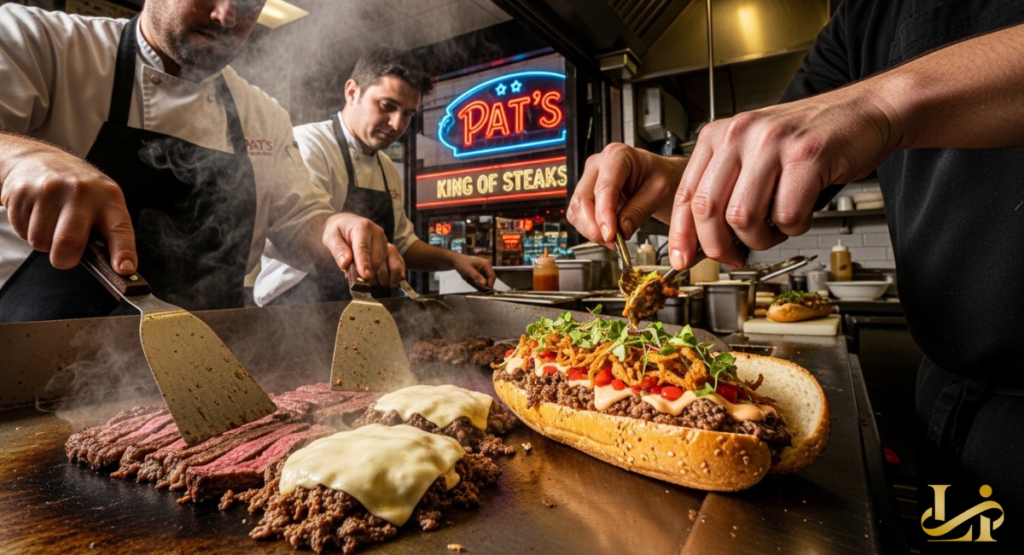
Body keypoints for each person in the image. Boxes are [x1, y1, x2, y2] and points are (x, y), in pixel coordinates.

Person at [568, 2, 1024, 550]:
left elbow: (848, 114)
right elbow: (777, 169)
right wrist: (677, 183)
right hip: (954, 410)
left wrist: (881, 103)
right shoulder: (863, 17)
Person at [0, 1, 395, 323]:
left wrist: (333, 229)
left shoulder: (263, 115)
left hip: (213, 372)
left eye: (249, 4)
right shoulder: (40, 42)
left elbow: (297, 222)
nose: (226, 15)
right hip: (39, 368)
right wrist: (21, 158)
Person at [254, 48, 496, 306]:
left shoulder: (387, 168)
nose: (396, 124)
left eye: (407, 114)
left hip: (362, 308)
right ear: (352, 92)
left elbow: (403, 243)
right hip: (296, 305)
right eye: (386, 106)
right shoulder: (308, 145)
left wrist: (454, 260)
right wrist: (370, 253)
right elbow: (292, 230)